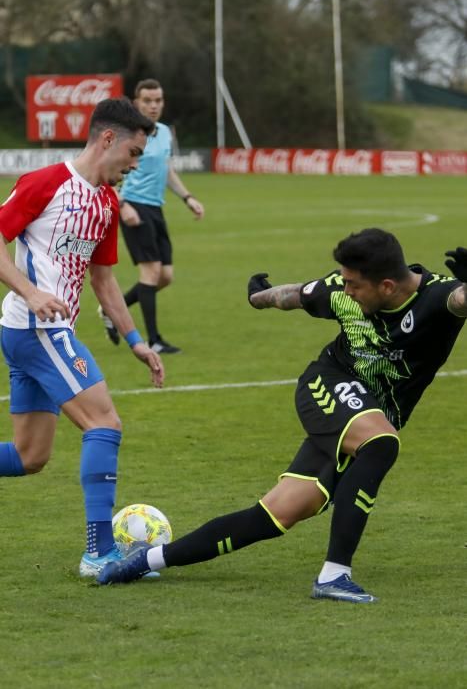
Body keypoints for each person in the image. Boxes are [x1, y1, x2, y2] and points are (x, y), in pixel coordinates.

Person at [97, 228, 467, 603]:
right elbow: (293, 295)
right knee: (380, 443)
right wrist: (259, 296)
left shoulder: (437, 298)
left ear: (387, 286)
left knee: (274, 516)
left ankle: (147, 560)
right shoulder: (342, 289)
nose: (346, 289)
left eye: (355, 285)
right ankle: (334, 576)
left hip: (361, 410)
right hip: (327, 384)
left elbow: (459, 300)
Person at [0, 97, 165, 579]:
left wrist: (135, 340)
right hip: (35, 328)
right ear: (107, 138)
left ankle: (100, 552)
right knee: (105, 423)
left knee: (31, 457)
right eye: (133, 153)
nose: (134, 166)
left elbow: (104, 280)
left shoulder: (106, 203)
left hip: (43, 331)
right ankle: (100, 553)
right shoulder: (45, 183)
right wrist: (30, 292)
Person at [98, 78, 205, 354]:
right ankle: (154, 340)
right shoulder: (126, 133)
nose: (154, 105)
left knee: (165, 276)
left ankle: (111, 308)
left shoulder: (165, 132)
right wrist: (122, 205)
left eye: (158, 100)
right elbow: (109, 170)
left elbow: (166, 169)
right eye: (147, 101)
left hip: (155, 207)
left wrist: (187, 197)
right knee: (151, 271)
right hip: (133, 204)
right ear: (136, 103)